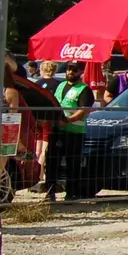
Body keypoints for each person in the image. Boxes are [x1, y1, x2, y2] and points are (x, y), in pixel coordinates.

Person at [45, 61, 93, 202]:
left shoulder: (84, 89)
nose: (70, 72)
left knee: (73, 164)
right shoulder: (60, 85)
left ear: (80, 72)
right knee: (52, 162)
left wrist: (67, 121)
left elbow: (82, 111)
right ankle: (50, 192)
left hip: (75, 132)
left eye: (74, 70)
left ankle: (71, 193)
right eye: (68, 69)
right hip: (58, 131)